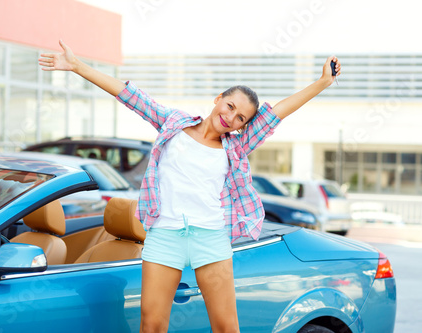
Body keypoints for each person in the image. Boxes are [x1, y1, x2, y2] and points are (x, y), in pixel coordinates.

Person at [39, 40, 341, 333]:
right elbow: (130, 95)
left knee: (226, 327)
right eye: (230, 105)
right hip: (165, 235)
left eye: (240, 118)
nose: (231, 117)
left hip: (210, 237)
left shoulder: (236, 145)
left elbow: (278, 113)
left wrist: (322, 82)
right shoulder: (173, 124)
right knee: (152, 325)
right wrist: (77, 66)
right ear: (218, 98)